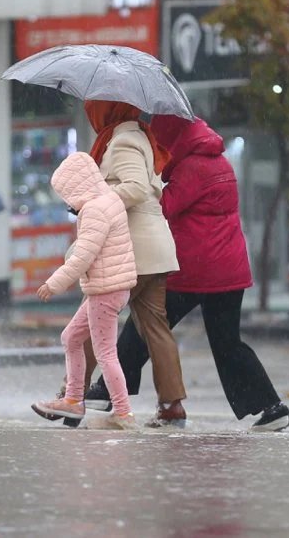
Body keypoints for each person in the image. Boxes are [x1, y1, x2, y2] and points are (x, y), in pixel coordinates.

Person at [86, 115, 289, 432]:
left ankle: (106, 393)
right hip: (228, 271)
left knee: (146, 323)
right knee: (228, 344)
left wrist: (141, 186)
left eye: (160, 142)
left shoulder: (192, 168)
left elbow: (163, 208)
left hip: (196, 269)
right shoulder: (217, 162)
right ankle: (272, 407)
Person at [79, 100, 187, 428]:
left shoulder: (123, 140)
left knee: (90, 321)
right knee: (156, 327)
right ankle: (172, 406)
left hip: (133, 248)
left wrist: (96, 202)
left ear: (107, 109)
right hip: (155, 248)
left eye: (94, 108)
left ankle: (72, 395)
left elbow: (137, 188)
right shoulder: (141, 136)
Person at [31, 152, 138, 429]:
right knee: (71, 338)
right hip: (111, 287)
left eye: (66, 194)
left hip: (105, 290)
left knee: (105, 353)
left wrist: (53, 283)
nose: (66, 201)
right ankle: (73, 400)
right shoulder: (109, 199)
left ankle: (123, 413)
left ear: (76, 187)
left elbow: (82, 257)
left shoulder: (94, 210)